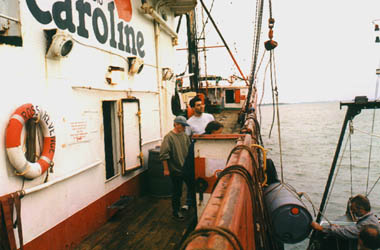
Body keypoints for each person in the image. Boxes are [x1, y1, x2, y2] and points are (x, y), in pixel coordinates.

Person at [159, 116, 192, 221]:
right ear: (176, 124)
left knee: (192, 188)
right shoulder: (168, 137)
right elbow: (164, 155)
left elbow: (189, 150)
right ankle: (176, 212)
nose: (184, 128)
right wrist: (166, 169)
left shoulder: (185, 136)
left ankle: (192, 207)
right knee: (177, 192)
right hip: (175, 170)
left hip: (186, 168)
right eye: (182, 126)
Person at [311, 194, 380, 240]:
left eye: (353, 209)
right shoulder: (370, 218)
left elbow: (348, 232)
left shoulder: (368, 223)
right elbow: (354, 228)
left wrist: (322, 228)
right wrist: (338, 227)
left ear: (360, 209)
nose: (352, 212)